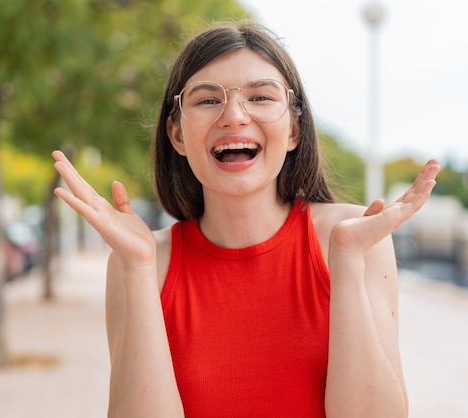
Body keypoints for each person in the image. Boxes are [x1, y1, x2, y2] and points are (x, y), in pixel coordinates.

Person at [52, 20, 440, 418]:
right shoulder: (140, 262)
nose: (234, 116)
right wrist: (137, 268)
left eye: (260, 97)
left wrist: (347, 264)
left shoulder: (356, 239)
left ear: (294, 129)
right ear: (177, 135)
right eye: (207, 100)